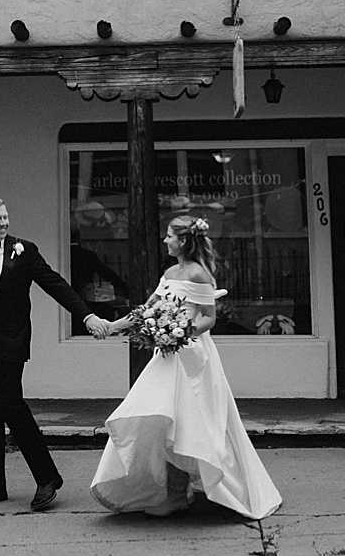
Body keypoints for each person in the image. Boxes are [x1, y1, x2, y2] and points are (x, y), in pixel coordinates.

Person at [88, 213, 282, 520]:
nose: (165, 240)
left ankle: (190, 491)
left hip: (192, 359)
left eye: (169, 236)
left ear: (183, 241)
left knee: (191, 424)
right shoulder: (170, 273)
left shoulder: (199, 274)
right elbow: (148, 309)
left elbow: (209, 317)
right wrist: (113, 326)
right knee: (161, 419)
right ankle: (175, 493)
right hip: (166, 358)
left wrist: (179, 330)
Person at [0, 196, 113, 511]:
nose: (4, 223)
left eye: (6, 217)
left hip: (11, 342)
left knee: (9, 403)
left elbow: (55, 284)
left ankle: (47, 476)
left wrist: (87, 315)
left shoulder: (24, 251)